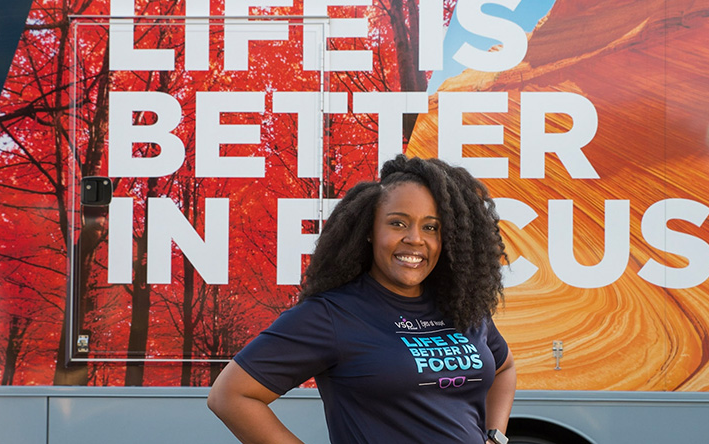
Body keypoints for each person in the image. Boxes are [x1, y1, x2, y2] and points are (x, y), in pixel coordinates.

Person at [208, 154, 516, 443]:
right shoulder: (333, 314)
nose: (415, 239)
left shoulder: (460, 306)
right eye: (398, 223)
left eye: (431, 227)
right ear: (369, 230)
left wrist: (495, 436)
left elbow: (504, 368)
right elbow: (230, 396)